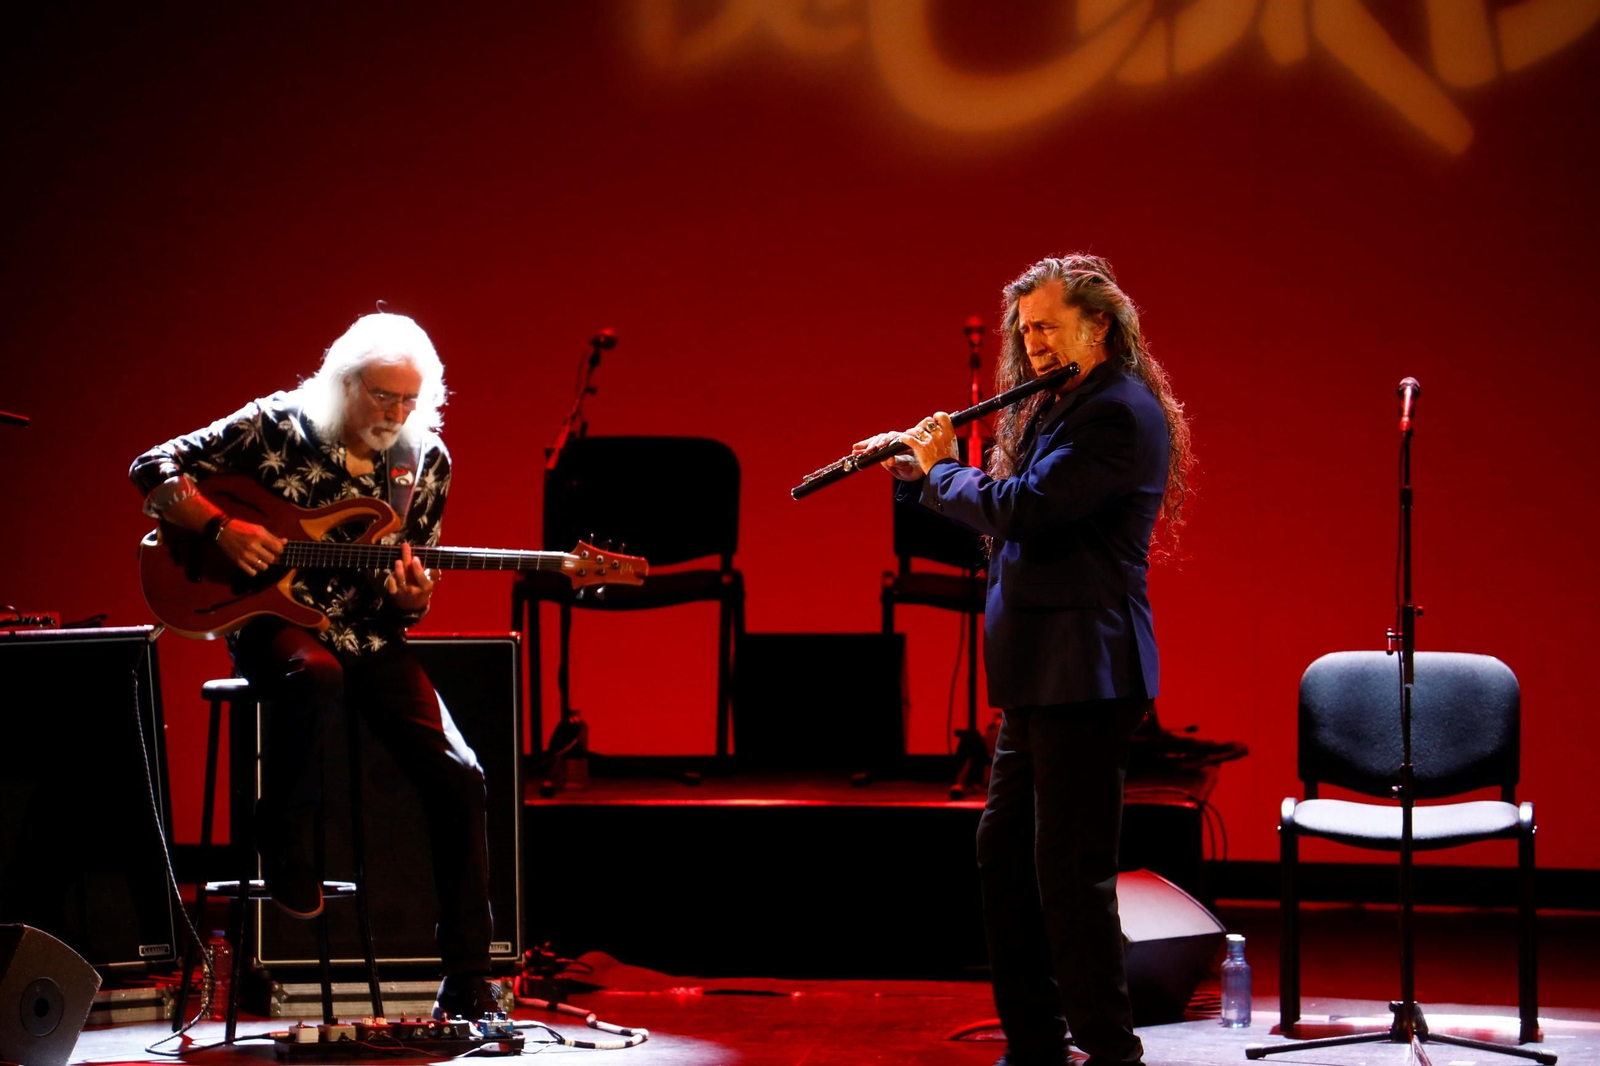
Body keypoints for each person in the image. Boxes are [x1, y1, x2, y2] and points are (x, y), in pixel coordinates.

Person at [855, 254, 1193, 1066]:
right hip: (1037, 674)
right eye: (1026, 329)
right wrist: (917, 473)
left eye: (1047, 325)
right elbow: (996, 512)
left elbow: (1028, 510)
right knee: (1004, 859)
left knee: (1070, 880)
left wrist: (943, 467)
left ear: (1099, 324)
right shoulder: (1057, 405)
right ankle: (1036, 1043)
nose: (1033, 342)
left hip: (1086, 670)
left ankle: (1111, 1052)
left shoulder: (1115, 413)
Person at [129, 312, 500, 1020]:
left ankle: (469, 977)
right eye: (382, 396)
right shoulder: (277, 425)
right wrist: (221, 528)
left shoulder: (423, 463)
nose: (396, 415)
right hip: (271, 622)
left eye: (409, 400)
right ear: (343, 383)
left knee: (462, 773)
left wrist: (415, 597)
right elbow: (151, 467)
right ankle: (287, 842)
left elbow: (406, 595)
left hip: (365, 634)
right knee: (316, 675)